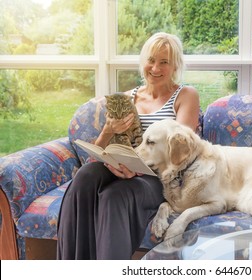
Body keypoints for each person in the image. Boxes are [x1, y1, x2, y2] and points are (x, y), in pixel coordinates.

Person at [57, 32, 200, 260]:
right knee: (85, 175)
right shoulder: (127, 98)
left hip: (158, 178)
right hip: (125, 167)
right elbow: (102, 147)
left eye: (164, 62)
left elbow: (182, 153)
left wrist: (137, 167)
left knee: (116, 195)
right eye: (151, 60)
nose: (155, 68)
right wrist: (109, 130)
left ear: (175, 66)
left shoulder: (185, 95)